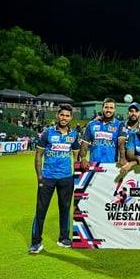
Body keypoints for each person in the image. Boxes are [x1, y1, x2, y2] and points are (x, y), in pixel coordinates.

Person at [29, 104, 80, 254]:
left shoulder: (74, 135)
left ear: (71, 117)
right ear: (58, 116)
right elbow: (38, 155)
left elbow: (76, 156)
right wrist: (39, 176)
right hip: (48, 177)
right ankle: (36, 242)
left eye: (67, 116)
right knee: (41, 210)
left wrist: (75, 176)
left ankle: (64, 238)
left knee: (65, 209)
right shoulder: (47, 133)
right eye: (62, 115)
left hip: (66, 178)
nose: (64, 118)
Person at [79, 98, 124, 170]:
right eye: (106, 107)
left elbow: (121, 144)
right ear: (102, 108)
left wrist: (122, 158)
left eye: (111, 108)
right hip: (94, 164)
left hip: (111, 165)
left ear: (115, 110)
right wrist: (83, 158)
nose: (108, 110)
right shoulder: (92, 124)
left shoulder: (119, 125)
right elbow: (84, 143)